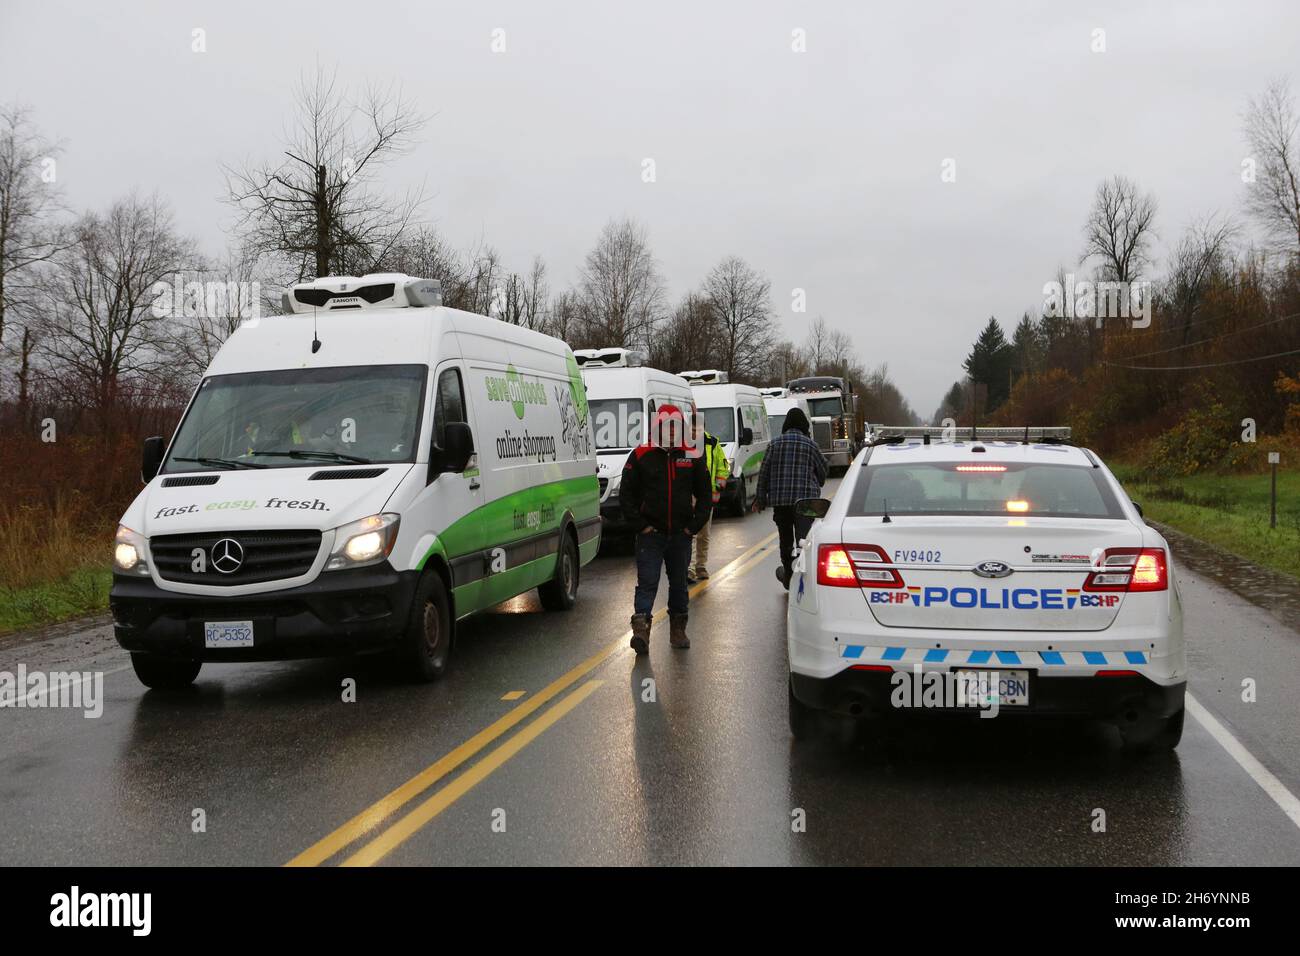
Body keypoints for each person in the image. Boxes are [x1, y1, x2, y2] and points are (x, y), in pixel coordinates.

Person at [620, 403, 713, 653]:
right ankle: (641, 630)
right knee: (647, 582)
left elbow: (705, 495)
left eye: (675, 426)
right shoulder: (641, 454)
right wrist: (640, 526)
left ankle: (678, 629)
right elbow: (626, 495)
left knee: (679, 584)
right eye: (666, 426)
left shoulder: (692, 454)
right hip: (651, 535)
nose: (671, 432)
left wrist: (692, 527)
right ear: (657, 426)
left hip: (680, 535)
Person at [755, 407, 828, 589]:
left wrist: (760, 499)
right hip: (805, 503)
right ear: (804, 426)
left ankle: (788, 574)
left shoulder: (774, 444)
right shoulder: (811, 446)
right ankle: (805, 577)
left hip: (781, 502)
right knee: (803, 540)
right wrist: (817, 480)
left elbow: (763, 472)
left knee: (785, 541)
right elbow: (823, 472)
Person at [687, 417, 730, 583]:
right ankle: (689, 568)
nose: (694, 432)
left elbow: (722, 466)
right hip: (688, 495)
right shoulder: (683, 444)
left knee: (704, 533)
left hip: (706, 495)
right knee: (690, 531)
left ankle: (700, 566)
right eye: (692, 429)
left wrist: (719, 485)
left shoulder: (712, 443)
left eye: (697, 429)